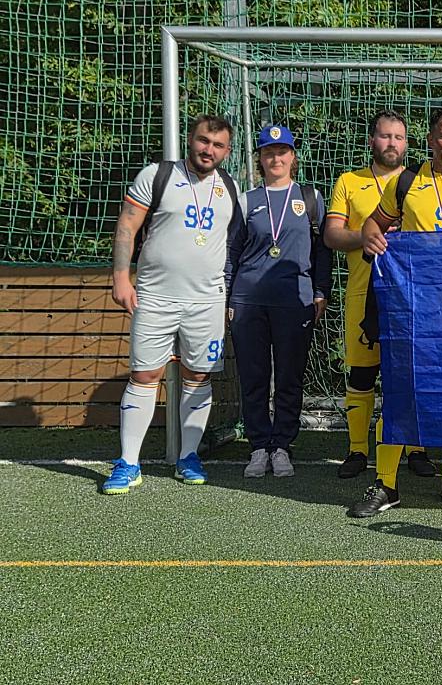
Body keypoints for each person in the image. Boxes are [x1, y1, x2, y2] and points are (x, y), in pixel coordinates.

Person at [350, 107, 442, 517]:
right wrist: (371, 238)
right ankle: (385, 484)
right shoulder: (406, 182)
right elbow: (372, 225)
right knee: (400, 389)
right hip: (411, 308)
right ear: (431, 140)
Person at [103, 115, 239, 494]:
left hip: (206, 300)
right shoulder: (157, 175)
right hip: (155, 296)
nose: (208, 150)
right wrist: (120, 278)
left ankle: (189, 456)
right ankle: (128, 462)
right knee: (145, 375)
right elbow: (127, 227)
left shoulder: (230, 186)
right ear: (190, 140)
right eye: (203, 141)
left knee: (198, 375)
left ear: (227, 151)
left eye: (217, 145)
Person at [323, 111, 436, 480]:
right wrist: (366, 235)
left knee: (411, 374)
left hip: (413, 295)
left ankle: (416, 448)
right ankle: (357, 450)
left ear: (407, 143)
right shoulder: (349, 181)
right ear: (372, 140)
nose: (392, 143)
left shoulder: (421, 182)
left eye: (399, 137)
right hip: (364, 289)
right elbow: (331, 235)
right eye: (385, 136)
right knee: (362, 372)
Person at [228, 125, 332, 478]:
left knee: (290, 376)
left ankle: (283, 446)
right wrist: (226, 297)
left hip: (295, 299)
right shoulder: (247, 200)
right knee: (253, 375)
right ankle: (259, 446)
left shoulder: (310, 198)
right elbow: (231, 252)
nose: (276, 158)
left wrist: (321, 291)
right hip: (249, 300)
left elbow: (323, 251)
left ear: (292, 157)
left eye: (282, 151)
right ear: (260, 158)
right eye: (269, 152)